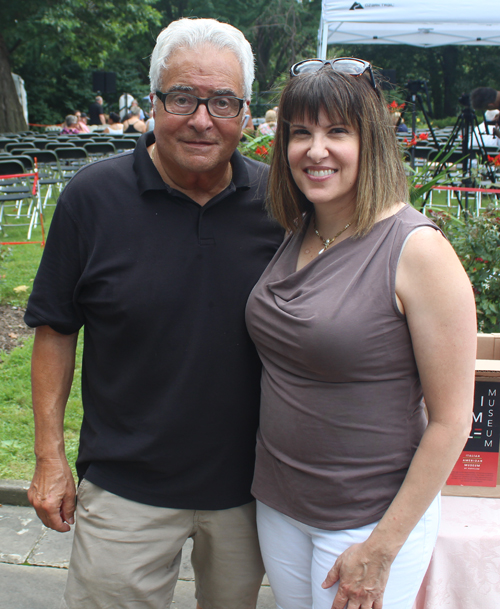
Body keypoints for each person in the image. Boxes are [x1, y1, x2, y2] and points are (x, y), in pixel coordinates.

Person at [25, 17, 283, 609]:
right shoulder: (92, 198)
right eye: (183, 97)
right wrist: (49, 457)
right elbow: (56, 329)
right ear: (153, 101)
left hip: (251, 491)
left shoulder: (281, 206)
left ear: (245, 112)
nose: (201, 118)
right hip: (125, 491)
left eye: (222, 101)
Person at [245, 58, 477, 609]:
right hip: (278, 505)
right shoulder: (298, 228)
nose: (315, 150)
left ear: (369, 140)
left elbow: (452, 421)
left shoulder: (417, 250)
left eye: (336, 132)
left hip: (365, 521)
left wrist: (383, 544)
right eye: (300, 132)